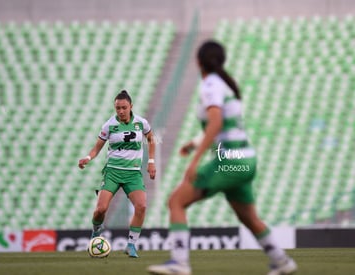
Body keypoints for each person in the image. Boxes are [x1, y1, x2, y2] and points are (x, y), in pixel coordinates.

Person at [147, 40, 297, 275]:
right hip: (245, 158)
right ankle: (282, 261)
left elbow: (216, 122)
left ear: (199, 62)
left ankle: (179, 263)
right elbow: (225, 126)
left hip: (231, 161)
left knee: (176, 201)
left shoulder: (210, 85)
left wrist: (195, 160)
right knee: (249, 218)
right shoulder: (226, 86)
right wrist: (196, 142)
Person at [78, 90, 156, 258]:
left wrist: (151, 161)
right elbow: (97, 147)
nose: (120, 111)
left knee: (141, 206)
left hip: (133, 173)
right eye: (117, 108)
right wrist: (87, 157)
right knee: (101, 209)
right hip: (113, 172)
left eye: (123, 107)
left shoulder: (141, 123)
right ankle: (96, 233)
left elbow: (151, 139)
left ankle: (131, 245)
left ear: (131, 107)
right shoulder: (109, 125)